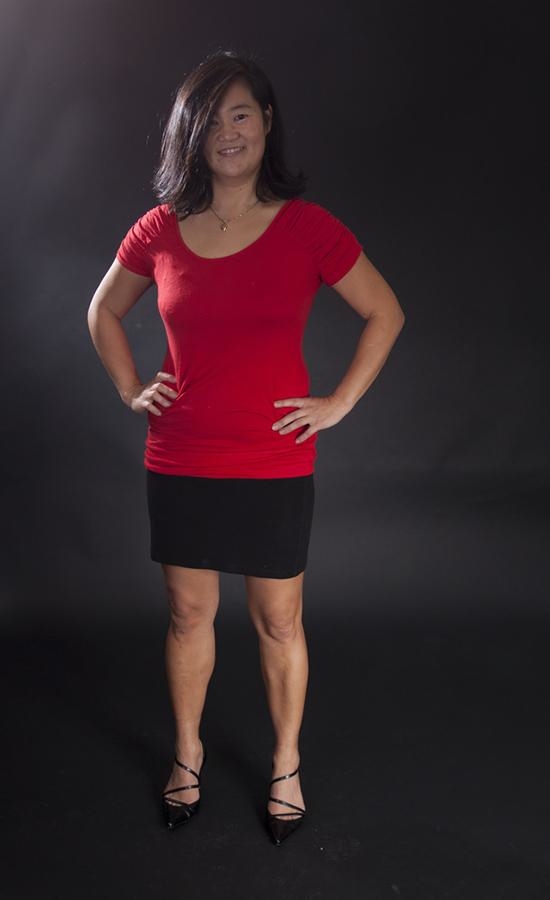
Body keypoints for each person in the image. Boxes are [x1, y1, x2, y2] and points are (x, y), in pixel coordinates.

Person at [87, 48, 405, 846]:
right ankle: (187, 754)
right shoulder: (161, 227)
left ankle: (285, 763)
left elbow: (386, 312)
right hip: (182, 455)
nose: (227, 132)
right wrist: (131, 389)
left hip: (272, 459)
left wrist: (338, 403)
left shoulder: (307, 227)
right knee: (188, 613)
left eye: (240, 114)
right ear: (189, 135)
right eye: (210, 120)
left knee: (278, 621)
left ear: (266, 122)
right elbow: (102, 312)